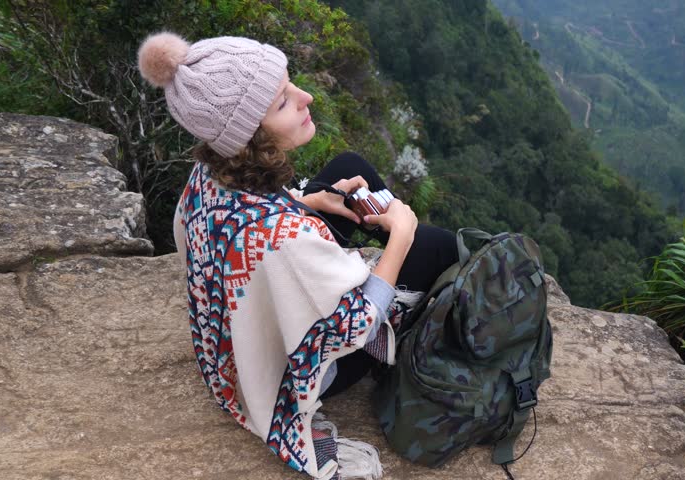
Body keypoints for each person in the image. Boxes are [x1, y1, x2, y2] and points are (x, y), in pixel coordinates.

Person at [137, 32, 457, 479]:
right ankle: (416, 320)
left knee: (349, 172)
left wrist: (311, 203)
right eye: (283, 102)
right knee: (434, 245)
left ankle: (371, 233)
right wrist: (401, 237)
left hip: (233, 346)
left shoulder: (207, 175)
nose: (305, 97)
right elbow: (357, 325)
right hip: (296, 371)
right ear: (251, 136)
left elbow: (245, 220)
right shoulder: (283, 238)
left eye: (290, 86)